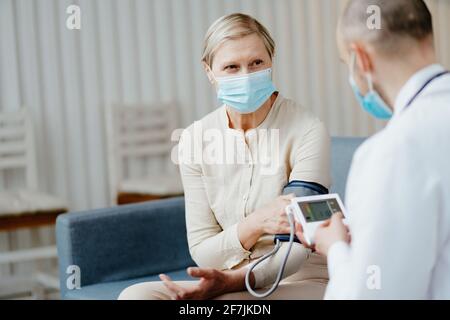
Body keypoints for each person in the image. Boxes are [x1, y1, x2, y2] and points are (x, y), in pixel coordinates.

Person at [118, 13, 331, 300]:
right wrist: (255, 223)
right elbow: (203, 251)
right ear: (209, 71)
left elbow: (295, 247)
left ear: (271, 60)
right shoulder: (194, 138)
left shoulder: (308, 130)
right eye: (231, 67)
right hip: (228, 276)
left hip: (298, 278)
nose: (246, 76)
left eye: (256, 63)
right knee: (136, 296)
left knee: (227, 303)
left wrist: (231, 282)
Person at [305, 0, 450, 299]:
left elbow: (371, 293)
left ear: (361, 58)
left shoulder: (393, 151)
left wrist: (336, 249)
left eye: (347, 64)